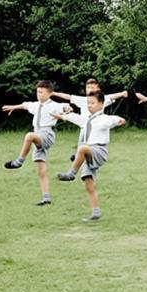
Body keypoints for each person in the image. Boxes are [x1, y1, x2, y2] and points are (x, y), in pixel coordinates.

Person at [51, 90, 126, 222]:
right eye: (88, 103)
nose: (89, 105)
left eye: (92, 103)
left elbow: (114, 120)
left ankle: (71, 174)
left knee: (82, 148)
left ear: (101, 104)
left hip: (99, 151)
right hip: (89, 154)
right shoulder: (86, 120)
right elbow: (73, 117)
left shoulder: (104, 119)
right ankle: (95, 213)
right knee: (88, 181)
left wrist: (120, 120)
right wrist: (61, 116)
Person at [1, 80, 68, 205]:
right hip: (38, 134)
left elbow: (66, 107)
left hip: (46, 134)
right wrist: (13, 107)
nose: (39, 94)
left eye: (42, 92)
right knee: (41, 172)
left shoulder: (54, 105)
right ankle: (46, 198)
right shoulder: (36, 105)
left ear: (49, 93)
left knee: (29, 136)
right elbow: (25, 105)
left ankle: (19, 162)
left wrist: (67, 110)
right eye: (38, 92)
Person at [52, 79, 127, 161]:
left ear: (98, 89)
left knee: (93, 143)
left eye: (92, 87)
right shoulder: (82, 100)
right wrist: (54, 93)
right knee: (82, 141)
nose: (90, 89)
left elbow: (112, 96)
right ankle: (79, 155)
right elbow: (69, 97)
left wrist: (122, 93)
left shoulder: (101, 99)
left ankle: (89, 156)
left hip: (97, 125)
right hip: (84, 124)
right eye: (88, 87)